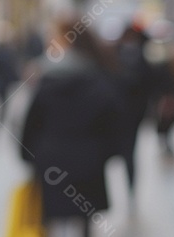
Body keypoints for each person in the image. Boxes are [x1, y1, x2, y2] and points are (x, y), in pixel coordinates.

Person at [21, 19, 122, 237]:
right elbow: (114, 125)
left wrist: (29, 155)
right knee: (83, 220)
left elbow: (31, 125)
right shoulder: (99, 78)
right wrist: (105, 153)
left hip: (51, 163)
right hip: (88, 161)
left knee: (51, 218)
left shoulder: (46, 79)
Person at [113, 24, 155, 194]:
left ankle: (129, 182)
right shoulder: (140, 57)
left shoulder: (117, 56)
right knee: (130, 150)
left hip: (124, 112)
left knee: (127, 150)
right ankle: (130, 184)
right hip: (135, 112)